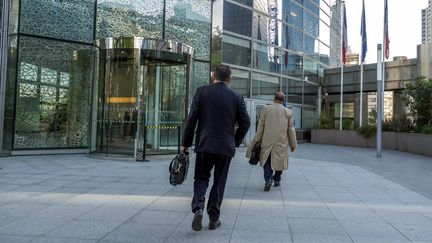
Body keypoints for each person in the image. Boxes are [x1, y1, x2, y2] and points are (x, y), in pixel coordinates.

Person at [181, 65, 250, 231]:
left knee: (201, 177)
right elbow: (245, 123)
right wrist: (234, 141)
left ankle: (198, 207)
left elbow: (191, 120)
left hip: (205, 144)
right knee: (219, 182)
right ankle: (213, 218)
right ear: (229, 79)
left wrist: (185, 143)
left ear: (213, 77)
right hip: (225, 146)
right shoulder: (236, 96)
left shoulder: (202, 92)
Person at [247, 92, 297, 191]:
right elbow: (291, 129)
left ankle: (268, 180)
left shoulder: (266, 109)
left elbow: (260, 126)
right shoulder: (288, 112)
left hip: (267, 141)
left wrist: (257, 139)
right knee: (280, 161)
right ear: (283, 101)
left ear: (274, 99)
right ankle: (277, 179)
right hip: (281, 142)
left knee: (267, 161)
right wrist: (293, 144)